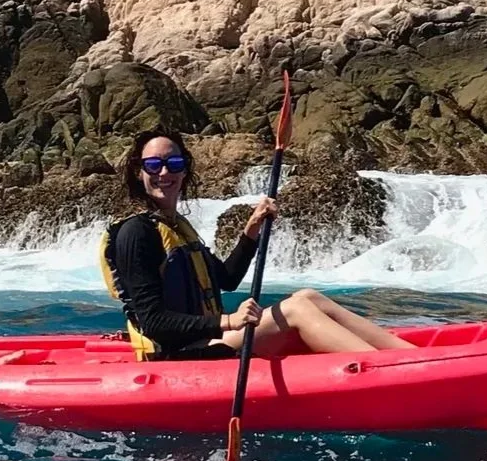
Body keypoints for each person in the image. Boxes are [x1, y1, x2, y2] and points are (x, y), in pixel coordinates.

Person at [100, 128, 415, 361]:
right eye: (154, 165)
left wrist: (251, 230)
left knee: (309, 296)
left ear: (185, 171)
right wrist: (228, 321)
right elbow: (154, 323)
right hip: (176, 355)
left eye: (174, 163)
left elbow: (227, 279)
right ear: (139, 172)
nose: (164, 172)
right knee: (295, 310)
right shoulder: (136, 233)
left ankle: (411, 356)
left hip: (205, 339)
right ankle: (390, 369)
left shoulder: (176, 228)